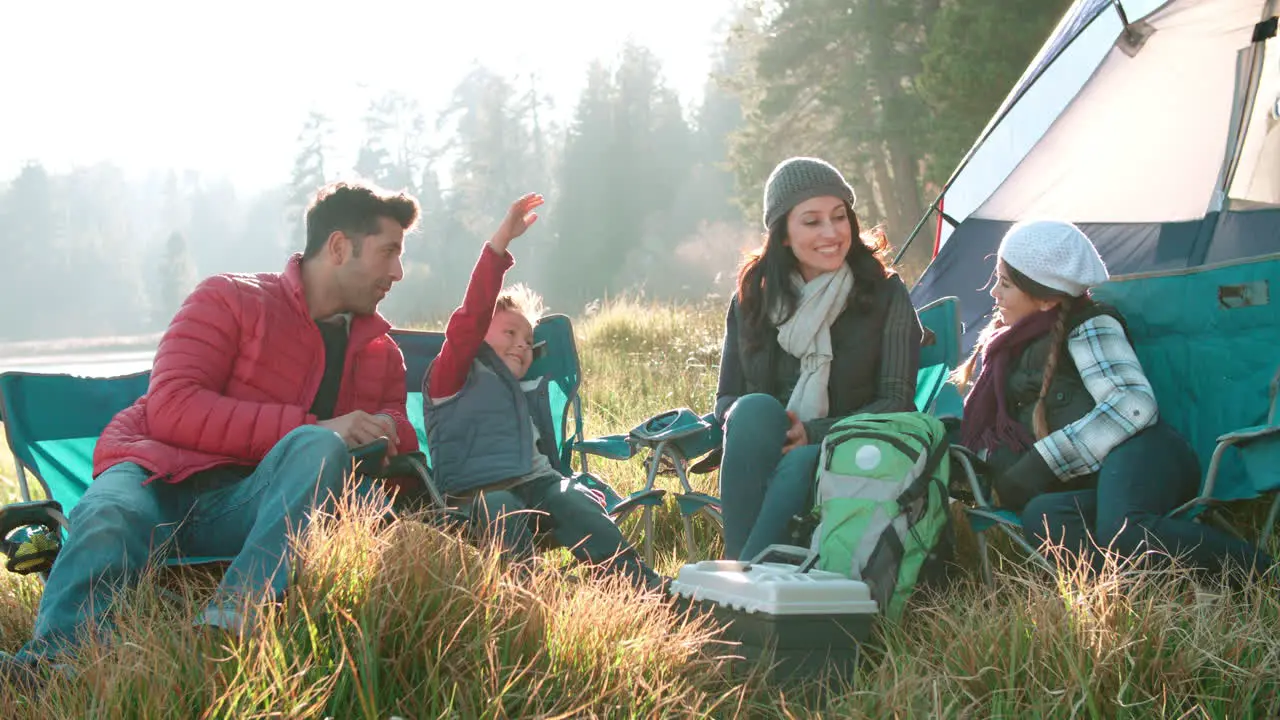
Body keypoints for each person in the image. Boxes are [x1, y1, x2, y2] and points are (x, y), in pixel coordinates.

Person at [1, 180, 422, 682]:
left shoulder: (380, 352)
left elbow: (398, 439)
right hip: (156, 477)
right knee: (110, 510)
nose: (398, 271)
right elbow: (172, 406)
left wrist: (378, 433)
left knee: (318, 446)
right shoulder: (230, 298)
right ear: (337, 247)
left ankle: (228, 628)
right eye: (388, 252)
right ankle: (54, 665)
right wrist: (314, 424)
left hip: (251, 504)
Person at [954, 219, 1275, 579]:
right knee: (1044, 516)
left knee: (1124, 531)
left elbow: (1132, 405)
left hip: (1146, 453)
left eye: (1005, 283)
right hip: (1099, 474)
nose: (994, 293)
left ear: (1046, 299)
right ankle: (1118, 600)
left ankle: (1262, 575)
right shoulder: (1008, 347)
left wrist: (1042, 463)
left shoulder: (1090, 327)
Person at [423, 193, 661, 589]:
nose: (522, 344)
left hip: (539, 486)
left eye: (529, 339)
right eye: (510, 333)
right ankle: (526, 599)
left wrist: (577, 486)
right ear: (479, 335)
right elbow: (472, 313)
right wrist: (501, 243)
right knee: (503, 511)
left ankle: (641, 588)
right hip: (476, 496)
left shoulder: (522, 389)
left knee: (572, 499)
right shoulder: (453, 374)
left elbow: (550, 468)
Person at [715, 157, 924, 561]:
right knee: (753, 408)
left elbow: (896, 401)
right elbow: (726, 399)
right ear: (784, 235)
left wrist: (813, 432)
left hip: (848, 450)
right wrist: (766, 432)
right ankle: (746, 571)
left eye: (839, 217)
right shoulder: (754, 297)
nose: (831, 233)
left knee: (802, 462)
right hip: (762, 449)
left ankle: (742, 578)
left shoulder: (884, 293)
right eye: (812, 222)